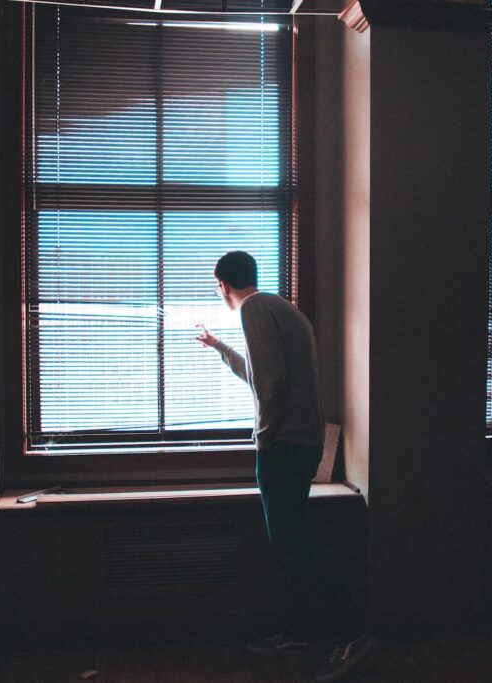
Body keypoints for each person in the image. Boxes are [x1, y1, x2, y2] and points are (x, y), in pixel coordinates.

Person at [195, 250, 375, 682]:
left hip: (284, 446)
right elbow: (263, 376)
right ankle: (301, 630)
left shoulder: (253, 309)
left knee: (291, 544)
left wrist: (264, 438)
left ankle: (349, 631)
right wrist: (220, 347)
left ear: (223, 284)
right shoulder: (282, 308)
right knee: (290, 542)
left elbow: (271, 384)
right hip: (301, 443)